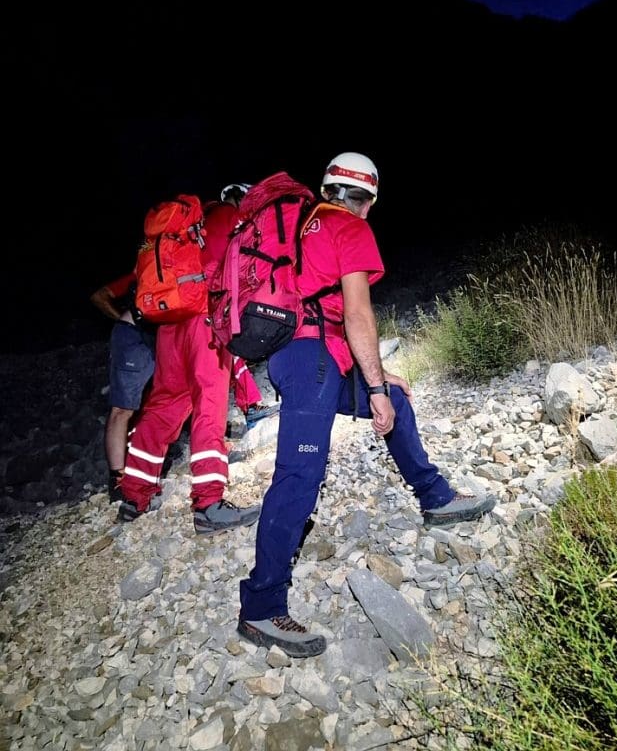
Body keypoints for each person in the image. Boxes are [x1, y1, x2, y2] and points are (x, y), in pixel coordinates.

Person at [236, 153, 497, 658]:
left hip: (309, 357)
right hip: (312, 357)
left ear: (329, 186)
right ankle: (261, 607)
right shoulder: (347, 227)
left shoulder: (306, 223)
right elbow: (356, 313)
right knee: (299, 476)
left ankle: (436, 499)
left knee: (398, 393)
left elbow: (324, 308)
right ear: (369, 197)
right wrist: (372, 389)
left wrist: (380, 381)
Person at [115, 195, 262, 533]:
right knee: (209, 405)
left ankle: (134, 496)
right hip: (204, 319)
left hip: (169, 324)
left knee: (165, 403)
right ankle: (209, 503)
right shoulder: (229, 216)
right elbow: (239, 269)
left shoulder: (182, 229)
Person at [205, 182, 277, 426]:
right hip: (214, 291)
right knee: (229, 345)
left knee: (223, 351)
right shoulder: (230, 215)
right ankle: (251, 406)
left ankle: (246, 407)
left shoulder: (207, 218)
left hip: (198, 292)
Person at [89, 271, 156, 493]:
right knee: (122, 408)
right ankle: (117, 479)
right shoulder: (142, 270)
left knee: (156, 401)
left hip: (159, 335)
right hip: (133, 334)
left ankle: (143, 464)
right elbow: (99, 296)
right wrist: (123, 319)